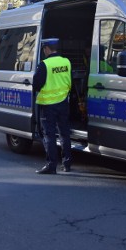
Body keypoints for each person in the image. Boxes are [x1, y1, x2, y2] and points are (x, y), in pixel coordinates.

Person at [33, 38, 72, 174]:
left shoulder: (44, 64)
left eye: (44, 49)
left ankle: (51, 166)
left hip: (48, 105)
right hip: (63, 103)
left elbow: (36, 84)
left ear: (47, 49)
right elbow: (69, 80)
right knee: (64, 134)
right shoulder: (66, 62)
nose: (44, 51)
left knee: (49, 135)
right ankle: (67, 163)